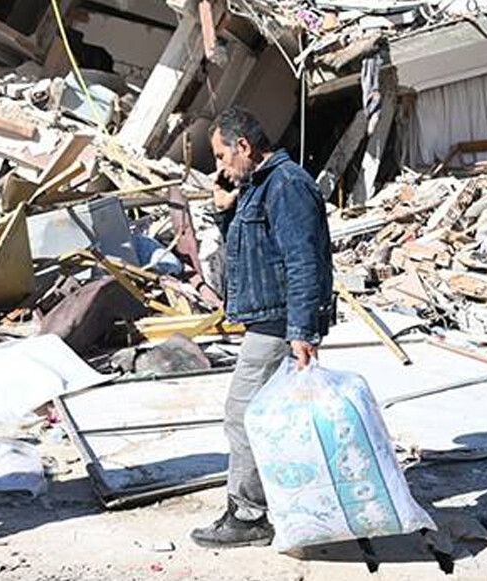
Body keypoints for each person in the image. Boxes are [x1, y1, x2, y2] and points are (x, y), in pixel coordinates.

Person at [191, 107, 334, 549]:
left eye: (220, 156)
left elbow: (303, 260)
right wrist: (223, 210)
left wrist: (301, 331)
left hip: (278, 324)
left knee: (242, 414)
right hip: (271, 318)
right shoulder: (258, 185)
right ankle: (277, 502)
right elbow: (247, 248)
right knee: (274, 420)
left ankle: (248, 516)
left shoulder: (287, 185)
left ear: (244, 147)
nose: (220, 166)